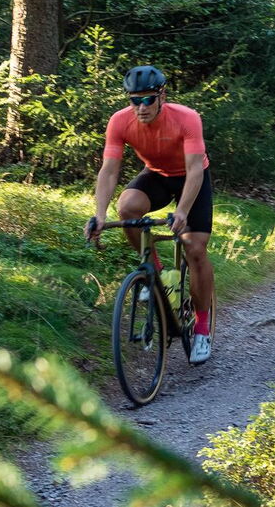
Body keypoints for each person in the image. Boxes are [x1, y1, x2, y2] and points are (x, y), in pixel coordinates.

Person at [85, 65, 216, 364]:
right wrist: (99, 214)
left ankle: (202, 329)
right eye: (134, 100)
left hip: (191, 178)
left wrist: (182, 211)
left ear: (162, 96)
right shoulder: (119, 122)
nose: (141, 107)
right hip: (156, 175)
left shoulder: (186, 118)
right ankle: (154, 273)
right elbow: (109, 170)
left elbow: (196, 169)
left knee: (195, 249)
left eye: (147, 100)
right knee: (127, 208)